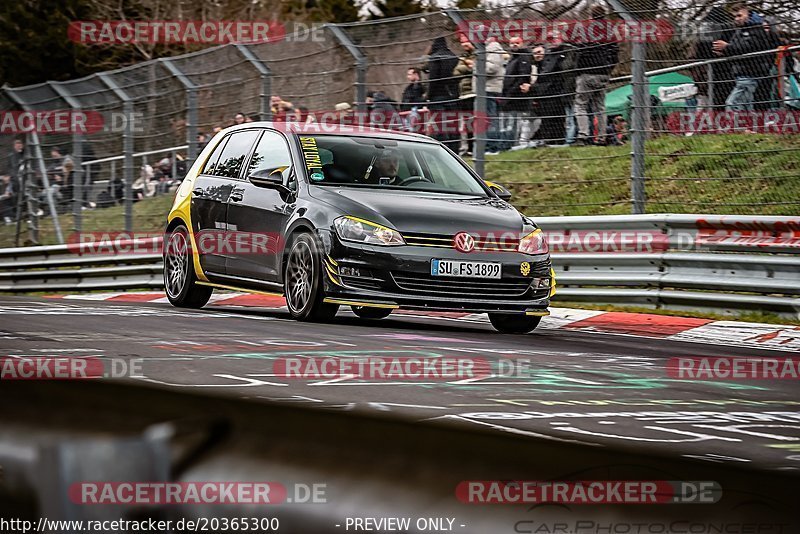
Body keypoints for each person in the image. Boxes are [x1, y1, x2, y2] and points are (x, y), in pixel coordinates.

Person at [713, 3, 772, 112]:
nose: (736, 19)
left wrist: (727, 47)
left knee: (733, 103)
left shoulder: (756, 28)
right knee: (745, 105)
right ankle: (747, 127)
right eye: (735, 16)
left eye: (739, 15)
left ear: (748, 16)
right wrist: (724, 51)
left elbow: (750, 46)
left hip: (751, 73)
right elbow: (738, 49)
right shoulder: (740, 30)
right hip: (743, 73)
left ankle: (736, 127)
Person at [574, 5, 619, 145]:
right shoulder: (610, 32)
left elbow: (580, 51)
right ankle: (601, 137)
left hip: (587, 72)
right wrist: (608, 69)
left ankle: (583, 135)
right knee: (600, 106)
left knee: (580, 104)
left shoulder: (586, 30)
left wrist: (578, 70)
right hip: (603, 73)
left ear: (591, 16)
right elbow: (615, 53)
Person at [531, 31, 578, 147]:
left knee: (559, 118)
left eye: (554, 38)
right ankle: (550, 140)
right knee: (549, 119)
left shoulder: (566, 51)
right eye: (550, 39)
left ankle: (559, 140)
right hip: (549, 91)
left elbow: (550, 71)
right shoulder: (549, 55)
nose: (552, 41)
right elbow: (545, 73)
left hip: (559, 89)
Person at [424, 36, 460, 151]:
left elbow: (433, 79)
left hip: (438, 96)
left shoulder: (435, 58)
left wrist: (428, 96)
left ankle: (444, 149)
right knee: (453, 125)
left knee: (440, 125)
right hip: (452, 95)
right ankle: (455, 150)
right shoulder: (454, 57)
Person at [501, 36, 533, 150]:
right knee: (511, 121)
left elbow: (523, 76)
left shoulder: (523, 56)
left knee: (518, 120)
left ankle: (517, 143)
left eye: (517, 43)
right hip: (510, 93)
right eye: (512, 43)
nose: (514, 45)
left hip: (518, 95)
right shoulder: (512, 58)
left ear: (522, 43)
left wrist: (512, 90)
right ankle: (510, 143)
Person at [454, 35, 476, 155]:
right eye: (462, 42)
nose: (464, 44)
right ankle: (469, 148)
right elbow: (456, 71)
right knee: (467, 123)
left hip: (473, 92)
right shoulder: (463, 56)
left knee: (475, 122)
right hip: (463, 94)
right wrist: (468, 66)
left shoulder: (478, 53)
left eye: (466, 41)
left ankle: (475, 147)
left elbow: (477, 68)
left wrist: (468, 66)